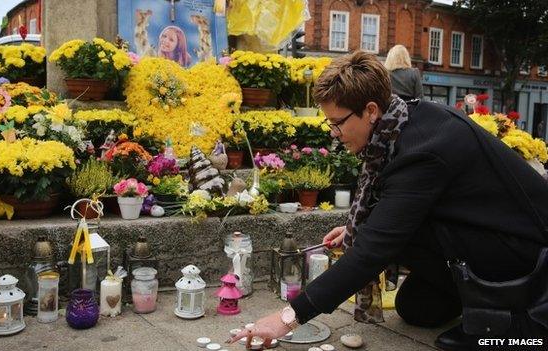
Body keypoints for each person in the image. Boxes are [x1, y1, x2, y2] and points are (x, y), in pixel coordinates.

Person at [230, 51, 548, 350]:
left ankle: (515, 322)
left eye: (338, 123)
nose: (334, 133)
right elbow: (395, 211)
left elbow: (375, 247)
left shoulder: (424, 151)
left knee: (390, 237)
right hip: (489, 236)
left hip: (527, 255)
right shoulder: (401, 123)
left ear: (370, 110)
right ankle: (478, 304)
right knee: (416, 309)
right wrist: (359, 227)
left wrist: (287, 317)